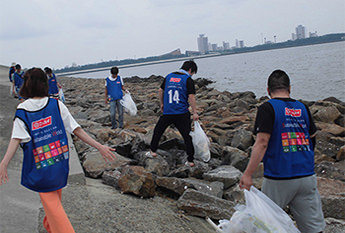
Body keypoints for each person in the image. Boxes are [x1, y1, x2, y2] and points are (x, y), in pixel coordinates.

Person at [0, 68, 117, 233]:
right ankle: (49, 227)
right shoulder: (56, 104)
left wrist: (4, 163)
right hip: (58, 163)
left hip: (40, 166)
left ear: (27, 84)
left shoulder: (22, 111)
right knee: (54, 202)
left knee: (54, 206)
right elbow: (77, 130)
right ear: (44, 84)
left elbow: (16, 139)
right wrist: (99, 146)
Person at [239, 70, 325, 233]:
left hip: (279, 177)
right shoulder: (302, 108)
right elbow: (312, 137)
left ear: (268, 90)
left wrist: (248, 173)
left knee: (266, 225)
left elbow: (262, 142)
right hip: (306, 176)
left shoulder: (267, 108)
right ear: (289, 88)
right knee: (314, 228)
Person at [148, 60, 199, 167]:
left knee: (158, 131)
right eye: (192, 73)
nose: (192, 75)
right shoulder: (188, 80)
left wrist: (162, 104)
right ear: (190, 70)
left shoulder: (169, 76)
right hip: (182, 112)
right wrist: (195, 112)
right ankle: (190, 160)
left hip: (168, 111)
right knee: (187, 136)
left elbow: (160, 90)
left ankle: (153, 151)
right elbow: (191, 97)